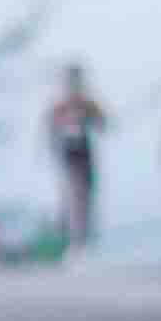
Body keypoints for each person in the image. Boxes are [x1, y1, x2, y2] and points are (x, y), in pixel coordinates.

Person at [47, 64, 106, 250]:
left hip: (83, 149)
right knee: (74, 193)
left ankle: (82, 234)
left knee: (86, 192)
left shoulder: (86, 102)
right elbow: (51, 128)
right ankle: (73, 236)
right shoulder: (60, 104)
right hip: (69, 151)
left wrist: (93, 116)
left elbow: (102, 122)